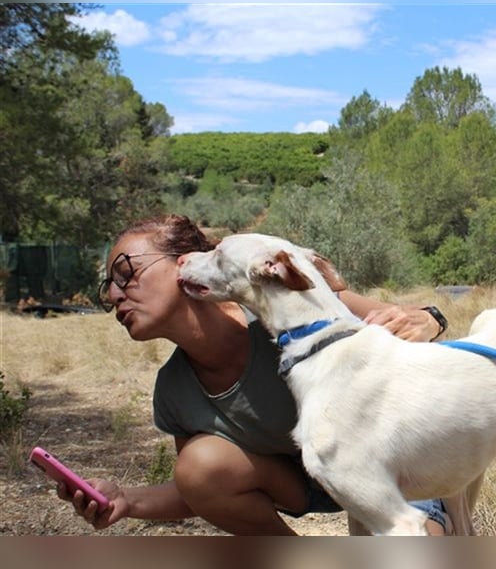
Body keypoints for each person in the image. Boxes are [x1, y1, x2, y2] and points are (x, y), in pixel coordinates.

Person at [61, 214, 452, 535]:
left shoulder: (282, 302)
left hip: (390, 462)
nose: (114, 296)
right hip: (310, 484)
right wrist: (127, 501)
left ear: (186, 260)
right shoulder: (174, 391)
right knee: (199, 464)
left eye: (126, 272)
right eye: (108, 286)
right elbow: (200, 490)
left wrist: (426, 321)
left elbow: (413, 317)